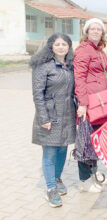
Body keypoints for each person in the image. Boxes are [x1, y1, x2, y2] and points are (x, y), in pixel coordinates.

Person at [31, 33, 76, 207]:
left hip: (67, 115)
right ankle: (50, 188)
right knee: (49, 152)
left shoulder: (70, 66)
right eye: (57, 44)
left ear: (69, 47)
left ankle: (57, 179)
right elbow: (37, 94)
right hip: (50, 115)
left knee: (62, 150)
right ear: (51, 46)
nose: (60, 47)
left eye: (64, 44)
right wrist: (44, 118)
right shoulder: (42, 67)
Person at [74, 18, 107, 192]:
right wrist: (83, 103)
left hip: (100, 103)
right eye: (92, 29)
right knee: (85, 142)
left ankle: (95, 174)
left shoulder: (100, 51)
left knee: (95, 141)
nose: (95, 31)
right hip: (88, 104)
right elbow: (79, 78)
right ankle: (84, 181)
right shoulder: (83, 50)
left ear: (102, 33)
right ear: (86, 32)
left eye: (98, 29)